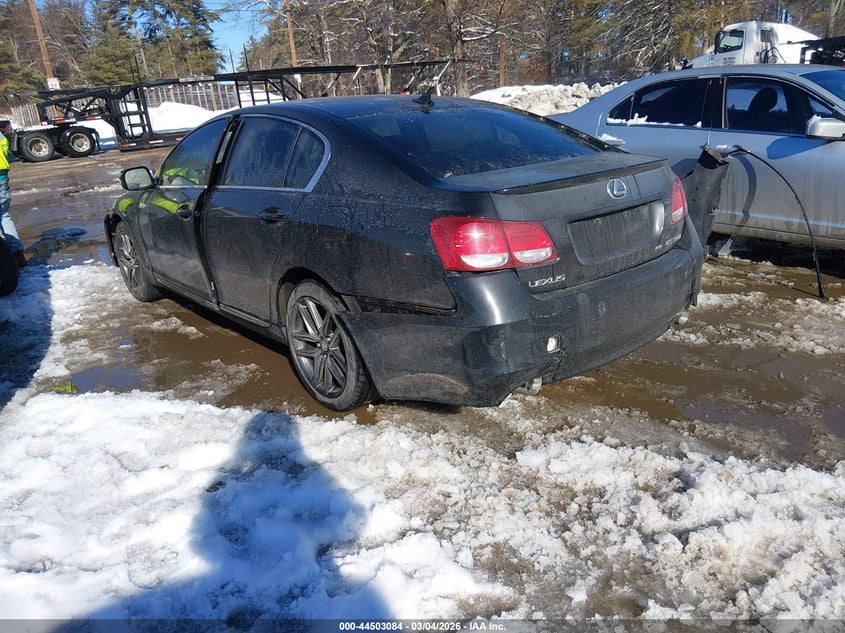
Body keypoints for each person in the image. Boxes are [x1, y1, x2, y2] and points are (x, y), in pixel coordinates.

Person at [0, 130, 26, 268]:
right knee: (4, 215)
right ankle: (18, 256)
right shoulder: (1, 136)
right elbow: (5, 152)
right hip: (2, 176)